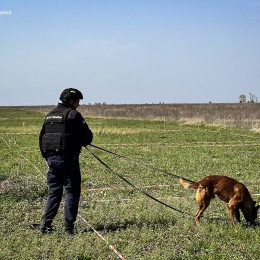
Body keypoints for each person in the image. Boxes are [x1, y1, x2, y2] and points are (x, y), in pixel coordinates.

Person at [39, 88, 93, 234]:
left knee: (54, 192)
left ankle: (45, 225)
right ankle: (69, 228)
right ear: (71, 101)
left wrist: (48, 158)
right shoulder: (73, 114)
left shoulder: (49, 115)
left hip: (51, 161)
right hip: (68, 161)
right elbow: (88, 137)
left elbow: (41, 138)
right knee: (72, 192)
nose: (79, 105)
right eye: (77, 101)